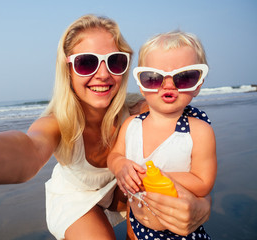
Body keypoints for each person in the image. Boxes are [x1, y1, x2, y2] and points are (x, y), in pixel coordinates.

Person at [0, 15, 212, 240]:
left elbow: (192, 150)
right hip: (76, 196)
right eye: (88, 62)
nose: (103, 75)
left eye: (114, 62)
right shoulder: (58, 121)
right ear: (68, 66)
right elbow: (29, 151)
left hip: (122, 194)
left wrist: (201, 205)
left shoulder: (142, 109)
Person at [107, 30, 217, 239]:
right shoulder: (131, 125)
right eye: (154, 78)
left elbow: (203, 182)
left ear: (198, 85)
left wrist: (156, 177)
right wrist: (120, 165)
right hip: (138, 229)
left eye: (184, 77)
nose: (169, 85)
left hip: (180, 233)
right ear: (141, 84)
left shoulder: (198, 131)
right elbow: (114, 155)